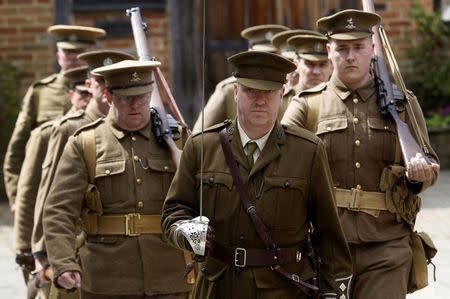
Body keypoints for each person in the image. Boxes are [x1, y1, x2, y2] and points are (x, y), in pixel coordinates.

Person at [161, 51, 352, 299]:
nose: (260, 100)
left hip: (285, 288)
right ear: (236, 93)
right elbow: (172, 213)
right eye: (251, 91)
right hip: (219, 286)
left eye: (269, 92)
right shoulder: (202, 147)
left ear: (281, 95)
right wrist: (185, 231)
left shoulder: (308, 151)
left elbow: (328, 234)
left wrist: (334, 292)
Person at [282, 9, 440, 299]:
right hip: (324, 247)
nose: (350, 56)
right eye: (342, 48)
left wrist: (418, 176)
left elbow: (430, 163)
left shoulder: (402, 104)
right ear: (330, 51)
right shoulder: (307, 106)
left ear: (372, 49)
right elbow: (277, 166)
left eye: (358, 47)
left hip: (387, 247)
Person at [43, 60, 191, 298]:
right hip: (107, 279)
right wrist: (63, 263)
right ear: (109, 97)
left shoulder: (178, 140)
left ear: (151, 94)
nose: (135, 105)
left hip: (171, 276)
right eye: (125, 98)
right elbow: (59, 210)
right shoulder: (86, 143)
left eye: (142, 97)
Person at [28, 50, 135, 297]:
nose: (106, 88)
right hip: (77, 248)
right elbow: (50, 197)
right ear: (91, 85)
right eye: (100, 81)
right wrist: (40, 251)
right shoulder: (72, 129)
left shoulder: (139, 127)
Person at [3, 25, 106, 211]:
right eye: (67, 52)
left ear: (92, 53)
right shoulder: (40, 92)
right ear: (58, 54)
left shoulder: (103, 92)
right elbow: (17, 147)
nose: (73, 57)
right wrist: (16, 194)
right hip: (45, 188)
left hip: (91, 192)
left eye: (79, 52)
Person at [14, 65, 92, 298]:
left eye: (91, 93)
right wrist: (32, 248)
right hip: (58, 243)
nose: (87, 100)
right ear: (71, 96)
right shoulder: (50, 133)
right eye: (82, 94)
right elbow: (32, 192)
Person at [192, 24, 289, 133]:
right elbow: (200, 135)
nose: (265, 61)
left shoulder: (293, 90)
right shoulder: (228, 90)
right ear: (249, 52)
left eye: (273, 55)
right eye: (259, 55)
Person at [271, 29, 331, 116]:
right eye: (310, 64)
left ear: (331, 67)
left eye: (322, 65)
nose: (316, 72)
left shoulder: (339, 102)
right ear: (296, 64)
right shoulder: (280, 103)